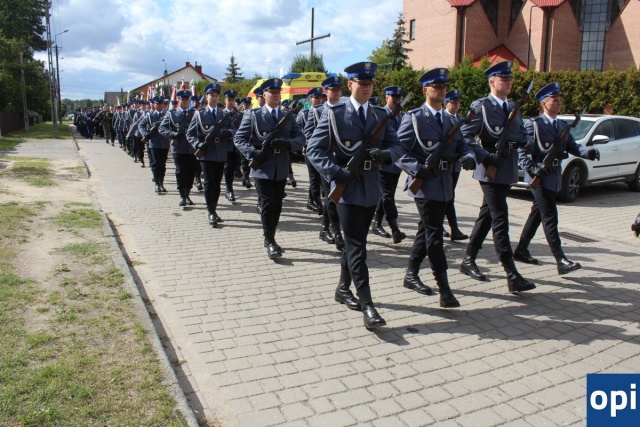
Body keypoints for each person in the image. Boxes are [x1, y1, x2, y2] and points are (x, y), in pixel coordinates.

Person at [307, 62, 404, 330]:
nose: (367, 88)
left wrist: (386, 154)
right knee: (358, 248)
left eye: (370, 83)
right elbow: (314, 150)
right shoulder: (335, 114)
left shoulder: (380, 114)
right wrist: (335, 172)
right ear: (350, 85)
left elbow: (397, 145)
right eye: (362, 83)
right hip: (347, 189)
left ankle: (342, 288)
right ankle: (368, 305)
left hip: (371, 188)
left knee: (355, 244)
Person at [396, 69, 476, 308]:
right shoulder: (414, 118)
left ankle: (411, 274)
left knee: (426, 230)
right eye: (436, 86)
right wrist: (416, 169)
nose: (442, 90)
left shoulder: (451, 120)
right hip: (425, 185)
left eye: (444, 87)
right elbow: (398, 150)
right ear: (425, 90)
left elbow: (463, 146)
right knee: (435, 236)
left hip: (444, 185)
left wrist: (469, 156)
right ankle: (445, 289)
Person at [459, 60, 536, 294]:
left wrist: (526, 142)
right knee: (500, 218)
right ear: (492, 82)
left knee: (487, 216)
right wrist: (484, 156)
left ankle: (468, 260)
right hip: (489, 169)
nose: (508, 82)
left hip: (507, 168)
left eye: (510, 79)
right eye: (504, 79)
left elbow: (521, 133)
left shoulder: (514, 107)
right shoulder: (481, 106)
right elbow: (465, 135)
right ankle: (511, 273)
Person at [514, 82, 600, 275]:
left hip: (553, 176)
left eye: (560, 99)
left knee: (537, 214)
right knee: (550, 217)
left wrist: (588, 152)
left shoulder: (561, 126)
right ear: (544, 103)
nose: (559, 102)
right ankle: (560, 259)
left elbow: (573, 146)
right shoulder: (534, 124)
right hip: (539, 176)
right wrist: (531, 168)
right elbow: (522, 150)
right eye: (555, 99)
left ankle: (521, 250)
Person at [234, 78, 305, 259]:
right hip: (262, 167)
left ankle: (270, 235)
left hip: (280, 167)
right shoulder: (253, 115)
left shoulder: (288, 116)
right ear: (264, 95)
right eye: (272, 92)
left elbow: (301, 139)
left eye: (277, 92)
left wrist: (288, 143)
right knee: (267, 203)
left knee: (277, 204)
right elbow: (239, 139)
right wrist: (253, 152)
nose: (275, 95)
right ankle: (270, 240)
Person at [303, 77, 346, 252]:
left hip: (342, 161)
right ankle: (337, 233)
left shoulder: (345, 110)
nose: (336, 92)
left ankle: (324, 228)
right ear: (326, 91)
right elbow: (308, 134)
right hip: (326, 161)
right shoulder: (317, 111)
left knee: (335, 197)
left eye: (338, 89)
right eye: (333, 89)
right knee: (332, 196)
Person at [187, 83, 236, 227]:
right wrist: (198, 144)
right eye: (211, 95)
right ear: (206, 97)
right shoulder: (199, 114)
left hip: (220, 153)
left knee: (217, 184)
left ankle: (214, 209)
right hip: (206, 153)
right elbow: (190, 134)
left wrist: (227, 133)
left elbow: (234, 130)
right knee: (209, 182)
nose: (214, 98)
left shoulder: (224, 115)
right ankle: (211, 212)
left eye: (216, 96)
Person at [371, 85, 407, 243]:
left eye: (399, 98)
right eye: (394, 98)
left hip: (396, 164)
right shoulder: (380, 114)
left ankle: (376, 223)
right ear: (386, 97)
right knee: (387, 196)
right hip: (382, 162)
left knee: (386, 195)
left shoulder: (402, 116)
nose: (397, 101)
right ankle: (394, 228)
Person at [159, 90, 198, 207]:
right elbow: (162, 128)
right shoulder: (172, 114)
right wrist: (173, 134)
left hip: (192, 147)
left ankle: (187, 193)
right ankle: (182, 195)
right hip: (178, 147)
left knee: (191, 171)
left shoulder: (195, 113)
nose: (185, 101)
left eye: (187, 99)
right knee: (180, 171)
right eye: (183, 99)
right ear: (179, 100)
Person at [442, 89, 469, 241]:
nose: (457, 105)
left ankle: (452, 229)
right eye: (454, 102)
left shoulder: (462, 120)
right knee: (444, 196)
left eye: (458, 102)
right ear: (446, 103)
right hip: (443, 164)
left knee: (450, 196)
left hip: (456, 165)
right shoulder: (442, 118)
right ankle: (451, 228)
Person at [298, 87, 325, 216]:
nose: (319, 100)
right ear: (310, 99)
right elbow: (299, 131)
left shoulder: (325, 112)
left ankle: (311, 200)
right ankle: (317, 203)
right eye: (316, 97)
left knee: (318, 178)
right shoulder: (304, 114)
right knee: (314, 178)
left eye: (321, 97)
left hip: (322, 151)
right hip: (310, 150)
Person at [139, 96, 169, 193]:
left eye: (161, 103)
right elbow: (141, 125)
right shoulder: (149, 115)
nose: (159, 105)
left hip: (164, 142)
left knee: (163, 164)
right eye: (157, 104)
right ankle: (157, 184)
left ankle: (161, 183)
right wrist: (146, 134)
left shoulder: (167, 114)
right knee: (156, 163)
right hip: (154, 142)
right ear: (154, 105)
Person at [222, 90, 242, 202]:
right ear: (225, 101)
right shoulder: (221, 114)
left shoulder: (238, 114)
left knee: (236, 167)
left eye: (232, 100)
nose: (230, 101)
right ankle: (229, 189)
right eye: (229, 99)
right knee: (228, 168)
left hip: (237, 146)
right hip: (226, 145)